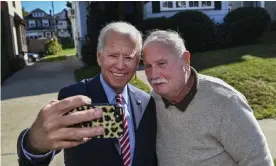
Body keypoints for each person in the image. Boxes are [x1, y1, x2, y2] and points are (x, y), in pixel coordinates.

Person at [17, 22, 157, 166]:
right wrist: (34, 144)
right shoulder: (74, 96)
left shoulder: (146, 102)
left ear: (137, 61)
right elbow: (44, 148)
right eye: (113, 55)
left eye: (129, 57)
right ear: (99, 57)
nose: (120, 65)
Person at [142, 30, 274, 166]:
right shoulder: (153, 98)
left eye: (161, 63)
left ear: (185, 59)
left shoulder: (224, 101)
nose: (154, 74)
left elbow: (259, 161)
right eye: (147, 66)